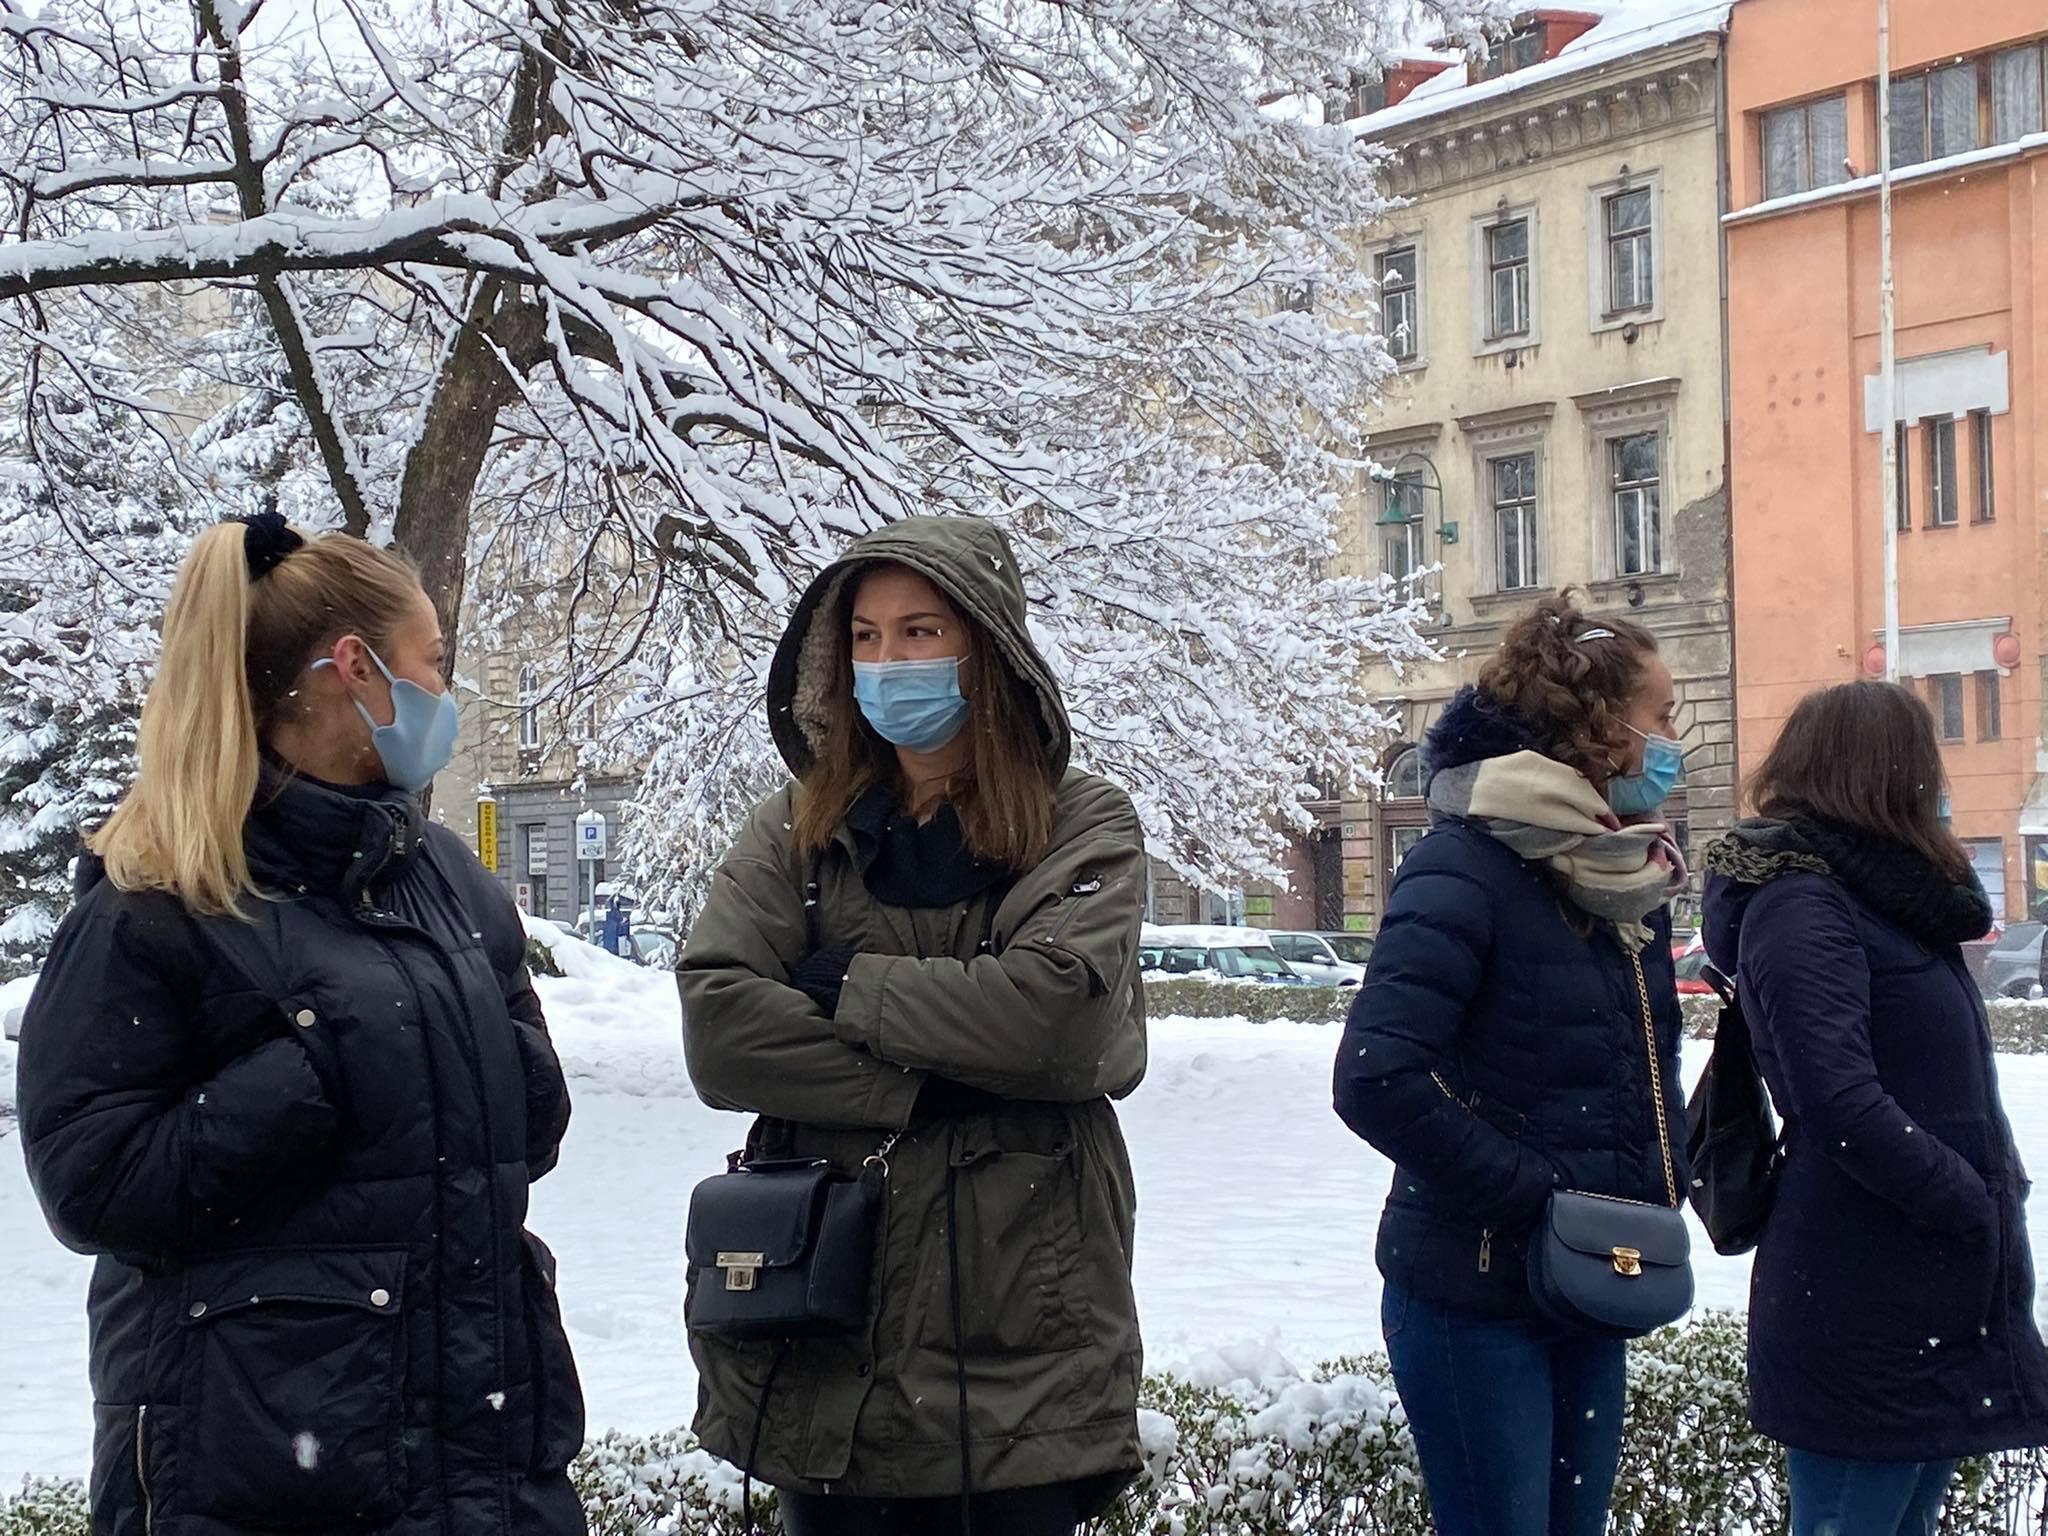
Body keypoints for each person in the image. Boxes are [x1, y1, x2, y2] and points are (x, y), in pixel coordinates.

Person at [16, 515, 585, 1536]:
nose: (446, 696)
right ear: (357, 670)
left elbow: (524, 1122)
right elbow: (95, 1182)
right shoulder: (158, 897)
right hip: (264, 1470)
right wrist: (321, 1069)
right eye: (435, 664)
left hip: (486, 1456)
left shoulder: (445, 877)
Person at [677, 515, 1147, 1536]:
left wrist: (842, 982)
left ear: (986, 647)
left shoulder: (1083, 823)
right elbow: (718, 1023)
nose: (889, 661)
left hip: (1023, 1321)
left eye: (920, 632)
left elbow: (1054, 1024)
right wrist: (934, 1081)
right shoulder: (794, 827)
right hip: (826, 1329)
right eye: (866, 638)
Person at [1332, 593, 1690, 1536]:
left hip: (1588, 1276)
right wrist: (1536, 1193)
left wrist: (1661, 1175)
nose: (1671, 741)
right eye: (1661, 716)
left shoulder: (1626, 875)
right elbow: (1376, 1075)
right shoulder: (1462, 865)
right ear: (1599, 727)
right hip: (1472, 1291)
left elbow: (1641, 1062)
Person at [1702, 681, 2048, 1536]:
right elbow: (1837, 1099)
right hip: (1863, 1282)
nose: (1939, 787)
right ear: (1882, 775)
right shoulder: (1802, 902)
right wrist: (1965, 1199)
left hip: (1919, 1274)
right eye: (1924, 765)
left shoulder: (1885, 901)